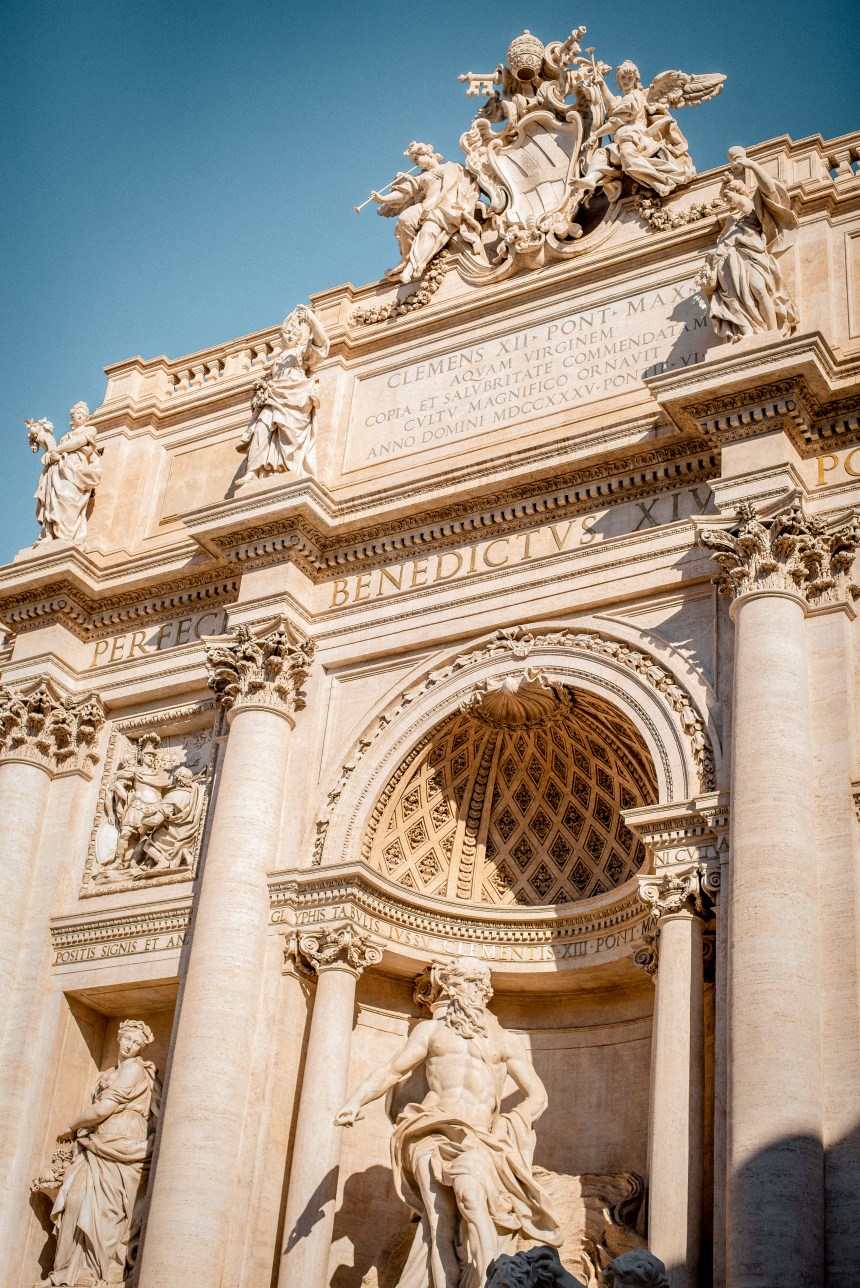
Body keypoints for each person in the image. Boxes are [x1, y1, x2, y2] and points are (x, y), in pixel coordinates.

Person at [335, 959, 560, 1288]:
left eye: (476, 984)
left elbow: (538, 1096)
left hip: (481, 1138)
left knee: (471, 1196)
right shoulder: (430, 1031)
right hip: (431, 1130)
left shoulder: (504, 1041)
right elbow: (392, 1071)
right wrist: (355, 1102)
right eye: (464, 983)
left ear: (485, 991)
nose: (470, 990)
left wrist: (511, 1124)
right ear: (452, 988)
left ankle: (489, 1279)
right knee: (438, 1217)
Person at [44, 1019, 161, 1286]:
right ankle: (69, 1270)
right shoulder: (109, 1073)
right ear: (119, 1038)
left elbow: (102, 1110)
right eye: (127, 1039)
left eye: (136, 1043)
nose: (130, 1046)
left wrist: (70, 1126)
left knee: (106, 1211)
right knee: (77, 1201)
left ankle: (92, 1273)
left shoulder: (134, 1071)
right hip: (98, 1142)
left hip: (122, 1142)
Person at [697, 147, 798, 341]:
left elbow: (769, 190)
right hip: (729, 262)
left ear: (738, 191)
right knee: (734, 300)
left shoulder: (755, 209)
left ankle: (771, 333)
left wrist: (752, 166)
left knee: (759, 289)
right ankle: (748, 331)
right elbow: (724, 242)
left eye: (728, 196)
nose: (726, 201)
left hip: (752, 257)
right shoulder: (730, 220)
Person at [236, 303, 328, 485]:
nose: (290, 335)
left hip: (294, 397)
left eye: (294, 334)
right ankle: (253, 471)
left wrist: (310, 318)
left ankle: (289, 467)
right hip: (273, 398)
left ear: (299, 338)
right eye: (287, 332)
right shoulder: (274, 362)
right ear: (281, 334)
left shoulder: (301, 353)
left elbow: (322, 343)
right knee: (262, 428)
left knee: (289, 434)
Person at [574, 62, 694, 202]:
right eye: (623, 77)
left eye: (630, 78)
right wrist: (602, 85)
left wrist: (595, 135)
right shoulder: (626, 98)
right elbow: (614, 105)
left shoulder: (635, 96)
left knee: (628, 158)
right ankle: (591, 179)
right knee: (601, 154)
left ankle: (663, 182)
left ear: (636, 80)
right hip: (621, 140)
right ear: (618, 79)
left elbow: (616, 122)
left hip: (634, 137)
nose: (626, 81)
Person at [373, 142, 486, 282]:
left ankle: (411, 268)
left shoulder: (454, 168)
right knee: (405, 219)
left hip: (448, 208)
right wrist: (383, 198)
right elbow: (405, 192)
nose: (416, 163)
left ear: (428, 155)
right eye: (413, 161)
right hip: (427, 207)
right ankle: (406, 259)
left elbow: (473, 183)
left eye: (417, 158)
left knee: (428, 231)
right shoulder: (422, 177)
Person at [30, 402, 103, 544]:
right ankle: (50, 534)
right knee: (53, 500)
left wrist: (56, 451)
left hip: (75, 468)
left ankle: (65, 535)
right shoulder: (65, 436)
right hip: (59, 468)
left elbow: (78, 442)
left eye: (83, 413)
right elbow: (56, 449)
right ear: (72, 415)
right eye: (78, 412)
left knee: (67, 498)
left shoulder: (90, 430)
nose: (80, 415)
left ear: (87, 417)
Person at [135, 766, 204, 875]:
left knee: (148, 844)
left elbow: (156, 820)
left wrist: (143, 823)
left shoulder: (173, 796)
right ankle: (184, 852)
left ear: (177, 779)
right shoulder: (195, 795)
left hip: (174, 833)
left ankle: (162, 861)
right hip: (189, 831)